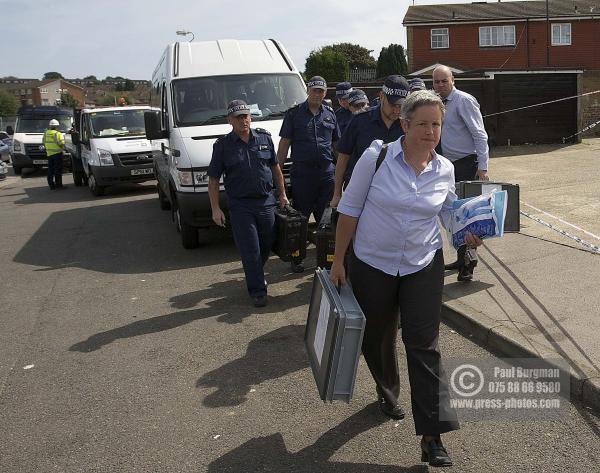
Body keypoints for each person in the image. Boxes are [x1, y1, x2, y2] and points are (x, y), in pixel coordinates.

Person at [329, 90, 483, 468]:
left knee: (424, 345)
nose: (431, 132)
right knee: (377, 336)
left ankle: (432, 436)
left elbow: (447, 214)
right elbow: (349, 210)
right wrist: (338, 261)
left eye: (437, 124)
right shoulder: (376, 158)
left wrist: (467, 230)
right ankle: (387, 388)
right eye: (423, 124)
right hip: (373, 263)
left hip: (421, 264)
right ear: (405, 125)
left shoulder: (444, 169)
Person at [208, 100, 288, 307]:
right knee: (250, 248)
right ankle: (258, 290)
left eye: (246, 116)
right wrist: (215, 208)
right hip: (241, 205)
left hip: (266, 202)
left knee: (267, 242)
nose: (243, 120)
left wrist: (282, 195)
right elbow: (214, 180)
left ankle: (254, 272)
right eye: (238, 117)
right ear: (230, 120)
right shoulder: (222, 146)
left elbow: (275, 169)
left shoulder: (264, 138)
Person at [432, 65, 490, 282]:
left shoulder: (464, 100)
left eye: (443, 81)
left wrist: (482, 167)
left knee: (468, 218)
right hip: (445, 165)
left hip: (466, 164)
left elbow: (479, 134)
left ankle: (469, 265)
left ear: (452, 80)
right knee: (452, 215)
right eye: (436, 82)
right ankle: (460, 258)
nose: (439, 86)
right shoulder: (435, 103)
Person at [277, 76, 340, 273]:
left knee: (327, 219)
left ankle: (326, 260)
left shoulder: (330, 115)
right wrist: (276, 173)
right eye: (314, 90)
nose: (317, 94)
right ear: (307, 91)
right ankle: (297, 259)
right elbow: (284, 145)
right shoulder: (294, 114)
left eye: (321, 91)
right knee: (300, 220)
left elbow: (337, 146)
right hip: (302, 174)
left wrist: (344, 170)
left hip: (326, 174)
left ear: (325, 92)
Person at [330, 75, 408, 208]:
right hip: (359, 192)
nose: (396, 110)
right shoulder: (359, 121)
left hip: (393, 194)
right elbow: (343, 158)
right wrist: (337, 193)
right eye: (393, 104)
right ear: (382, 96)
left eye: (401, 105)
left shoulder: (407, 125)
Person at [42, 118, 66, 190]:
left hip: (49, 154)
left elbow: (43, 142)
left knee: (50, 170)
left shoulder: (45, 133)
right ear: (57, 126)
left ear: (50, 126)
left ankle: (51, 185)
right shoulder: (58, 134)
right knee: (57, 170)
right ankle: (59, 185)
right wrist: (64, 149)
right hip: (57, 154)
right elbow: (62, 143)